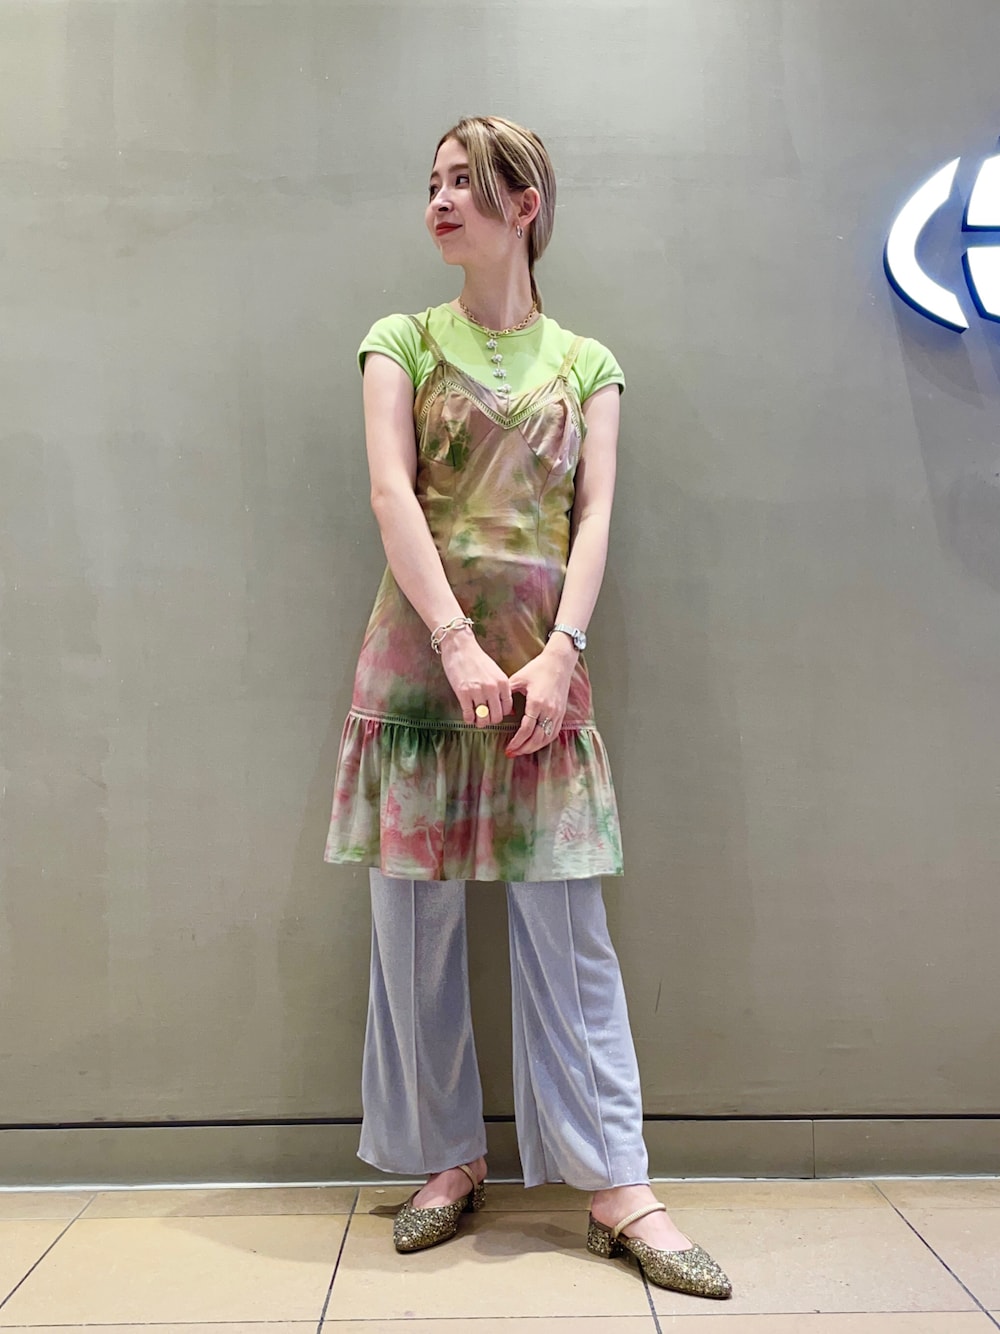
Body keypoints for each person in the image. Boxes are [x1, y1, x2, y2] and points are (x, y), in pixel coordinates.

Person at [324, 115, 731, 1301]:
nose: (441, 199)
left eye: (467, 182)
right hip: (418, 675)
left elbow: (591, 515)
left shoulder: (587, 363)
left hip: (546, 674)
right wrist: (454, 643)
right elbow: (391, 492)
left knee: (570, 933)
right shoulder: (400, 341)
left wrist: (561, 652)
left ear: (524, 202)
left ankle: (617, 1185)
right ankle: (446, 1156)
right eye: (433, 182)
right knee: (412, 934)